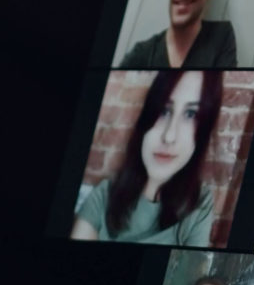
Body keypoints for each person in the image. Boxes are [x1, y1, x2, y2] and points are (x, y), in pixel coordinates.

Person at [71, 70, 221, 246]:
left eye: (191, 114)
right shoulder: (104, 195)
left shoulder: (199, 204)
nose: (169, 136)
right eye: (164, 110)